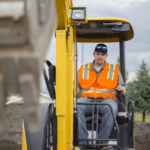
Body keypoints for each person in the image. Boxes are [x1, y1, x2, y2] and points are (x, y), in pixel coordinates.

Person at [77, 43, 126, 148]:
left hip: (106, 101)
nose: (100, 56)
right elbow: (76, 88)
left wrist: (122, 89)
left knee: (112, 108)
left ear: (106, 56)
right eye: (98, 53)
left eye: (102, 54)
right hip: (87, 101)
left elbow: (123, 88)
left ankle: (102, 143)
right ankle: (83, 141)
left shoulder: (114, 69)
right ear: (93, 54)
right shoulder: (83, 69)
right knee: (77, 106)